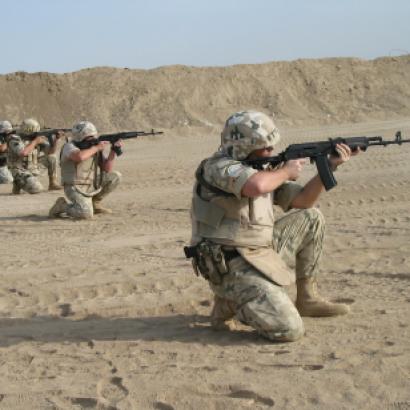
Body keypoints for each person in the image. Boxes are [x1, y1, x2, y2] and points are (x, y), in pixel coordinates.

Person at [189, 110, 359, 342]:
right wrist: (286, 171)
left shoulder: (263, 170)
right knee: (289, 329)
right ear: (244, 147)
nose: (271, 152)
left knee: (311, 217)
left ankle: (307, 298)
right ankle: (230, 302)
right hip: (229, 265)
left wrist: (329, 167)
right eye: (265, 148)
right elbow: (256, 186)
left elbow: (303, 201)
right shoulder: (217, 167)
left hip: (258, 251)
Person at [49, 121, 122, 219]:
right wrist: (96, 148)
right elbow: (79, 157)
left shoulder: (93, 148)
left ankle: (95, 203)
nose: (92, 139)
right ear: (79, 137)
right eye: (89, 137)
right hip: (74, 187)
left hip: (90, 184)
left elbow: (106, 169)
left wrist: (113, 151)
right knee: (85, 213)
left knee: (115, 176)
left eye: (93, 137)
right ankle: (62, 206)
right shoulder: (69, 146)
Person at [8, 118, 50, 194]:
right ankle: (17, 182)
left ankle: (52, 183)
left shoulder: (34, 138)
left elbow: (50, 151)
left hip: (31, 167)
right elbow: (23, 153)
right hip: (18, 170)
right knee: (37, 189)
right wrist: (35, 142)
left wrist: (55, 140)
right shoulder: (14, 138)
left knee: (52, 158)